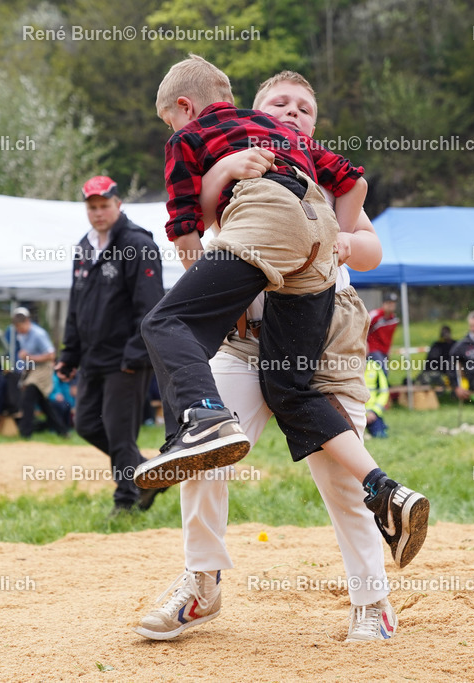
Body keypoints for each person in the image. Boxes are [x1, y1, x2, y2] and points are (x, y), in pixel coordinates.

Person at [136, 70, 421, 643]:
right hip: (247, 325)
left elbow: (369, 249)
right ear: (254, 113)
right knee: (207, 451)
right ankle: (202, 581)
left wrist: (338, 236)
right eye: (279, 103)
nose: (292, 113)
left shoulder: (315, 174)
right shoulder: (240, 157)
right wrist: (223, 170)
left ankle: (372, 600)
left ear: (313, 125)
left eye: (305, 107)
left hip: (325, 324)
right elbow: (204, 219)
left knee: (339, 475)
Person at [55, 175, 164, 513]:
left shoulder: (138, 244)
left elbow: (150, 305)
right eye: (92, 207)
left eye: (104, 205)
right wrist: (69, 354)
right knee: (86, 424)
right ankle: (148, 474)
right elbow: (77, 305)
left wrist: (135, 354)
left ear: (118, 204)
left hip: (126, 358)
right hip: (91, 357)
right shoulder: (84, 248)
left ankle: (126, 499)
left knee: (119, 433)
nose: (98, 213)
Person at [12, 308, 69, 438]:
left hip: (43, 368)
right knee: (43, 403)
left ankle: (25, 432)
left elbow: (51, 355)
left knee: (28, 398)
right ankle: (62, 431)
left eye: (20, 327)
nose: (19, 330)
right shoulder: (21, 334)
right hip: (32, 368)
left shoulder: (39, 334)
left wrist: (30, 357)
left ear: (27, 322)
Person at [367, 293, 400, 375]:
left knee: (379, 372)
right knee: (383, 371)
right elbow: (363, 328)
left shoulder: (394, 320)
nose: (391, 305)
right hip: (372, 348)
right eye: (389, 303)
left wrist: (388, 350)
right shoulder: (374, 315)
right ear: (383, 304)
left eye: (393, 303)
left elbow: (390, 337)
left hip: (384, 349)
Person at [364, 357, 390, 438]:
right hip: (353, 413)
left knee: (380, 435)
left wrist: (374, 411)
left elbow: (384, 392)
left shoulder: (375, 367)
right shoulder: (345, 367)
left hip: (372, 413)